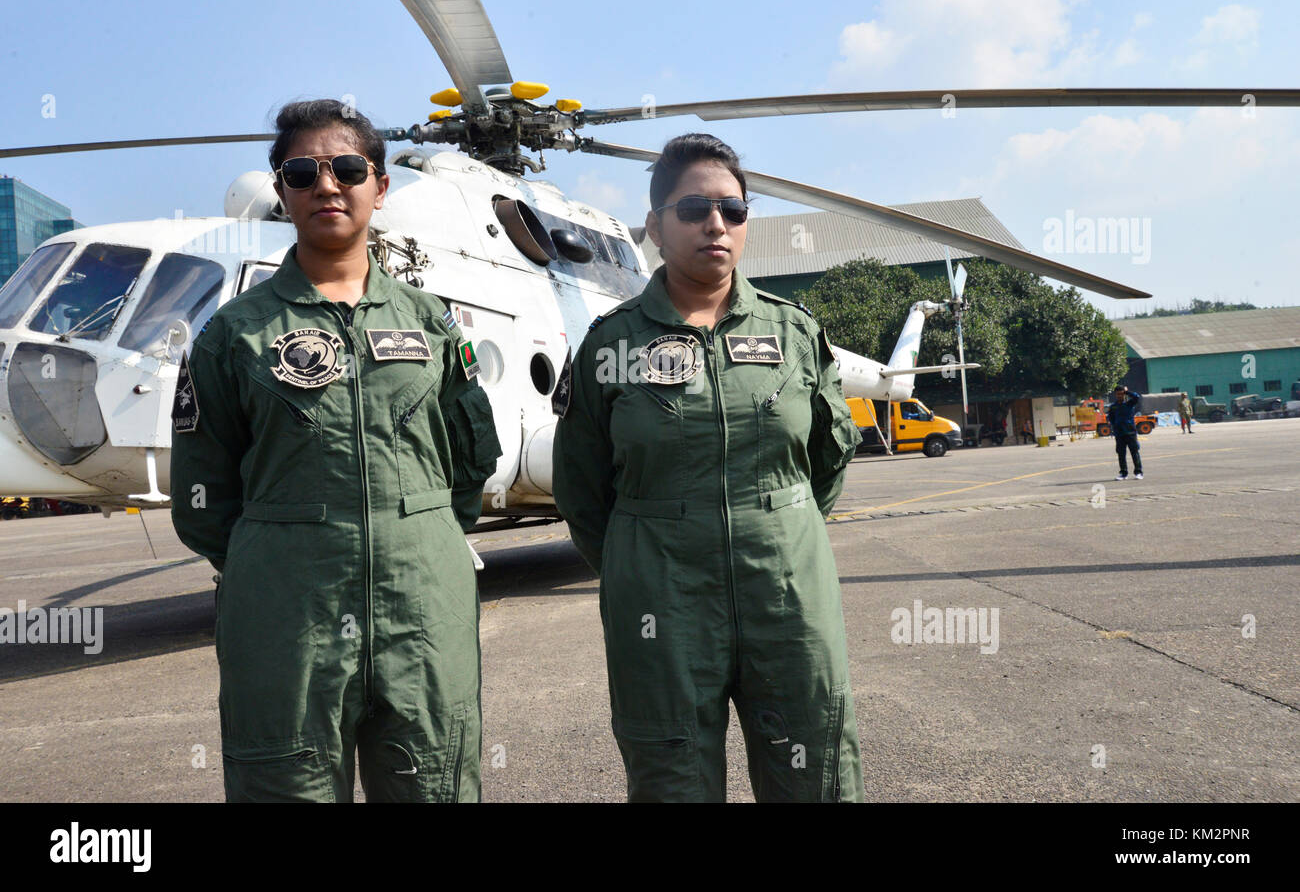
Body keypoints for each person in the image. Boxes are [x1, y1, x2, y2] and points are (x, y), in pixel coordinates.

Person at [170, 99, 501, 802]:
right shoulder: (234, 335)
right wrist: (279, 556)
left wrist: (420, 534)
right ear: (281, 190)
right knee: (286, 784)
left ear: (380, 187)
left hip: (424, 608)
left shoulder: (431, 324)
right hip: (288, 616)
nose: (327, 185)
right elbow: (202, 497)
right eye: (302, 171)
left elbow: (470, 462)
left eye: (348, 167)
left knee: (434, 781)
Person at [552, 133, 865, 802]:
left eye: (733, 208)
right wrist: (640, 562)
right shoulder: (613, 343)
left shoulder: (793, 334)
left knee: (817, 766)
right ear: (655, 226)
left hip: (786, 590)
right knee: (671, 775)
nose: (715, 223)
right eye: (693, 209)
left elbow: (829, 458)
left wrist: (780, 526)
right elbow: (581, 485)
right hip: (660, 600)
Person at [1107, 385, 1144, 479]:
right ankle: (1123, 473)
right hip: (1119, 434)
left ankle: (1138, 472)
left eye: (1121, 394)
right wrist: (1114, 427)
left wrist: (1127, 391)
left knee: (1134, 452)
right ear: (1115, 395)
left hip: (1130, 432)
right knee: (1121, 453)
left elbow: (1137, 397)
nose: (1120, 396)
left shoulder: (1129, 403)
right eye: (1118, 394)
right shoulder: (1113, 407)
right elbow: (1111, 418)